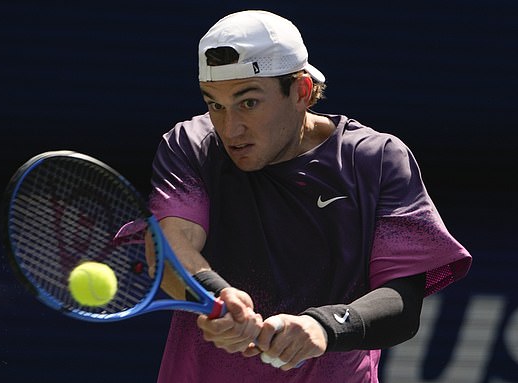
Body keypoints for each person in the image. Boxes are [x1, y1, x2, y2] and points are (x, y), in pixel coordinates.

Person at [147, 10, 472, 382]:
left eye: (248, 102)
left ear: (301, 91)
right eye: (215, 104)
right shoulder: (191, 146)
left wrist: (322, 327)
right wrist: (217, 297)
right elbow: (169, 250)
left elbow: (403, 302)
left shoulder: (375, 160)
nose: (230, 127)